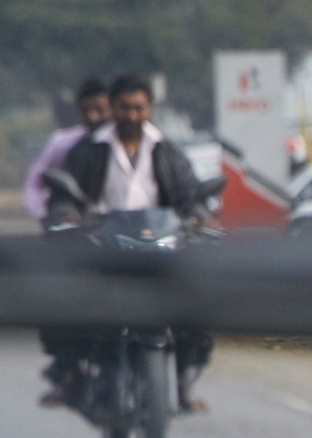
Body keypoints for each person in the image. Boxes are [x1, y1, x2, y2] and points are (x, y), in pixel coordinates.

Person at [56, 75, 214, 411]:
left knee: (194, 305)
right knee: (67, 298)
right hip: (104, 246)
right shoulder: (88, 151)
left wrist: (200, 216)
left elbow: (190, 195)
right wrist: (67, 215)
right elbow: (64, 195)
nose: (131, 115)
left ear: (149, 109)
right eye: (124, 107)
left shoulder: (167, 151)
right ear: (112, 108)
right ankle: (71, 374)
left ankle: (183, 378)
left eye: (139, 108)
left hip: (159, 247)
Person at [25, 78, 114, 219]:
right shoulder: (65, 143)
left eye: (100, 110)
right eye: (86, 110)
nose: (92, 117)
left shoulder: (130, 145)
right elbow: (35, 182)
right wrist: (45, 216)